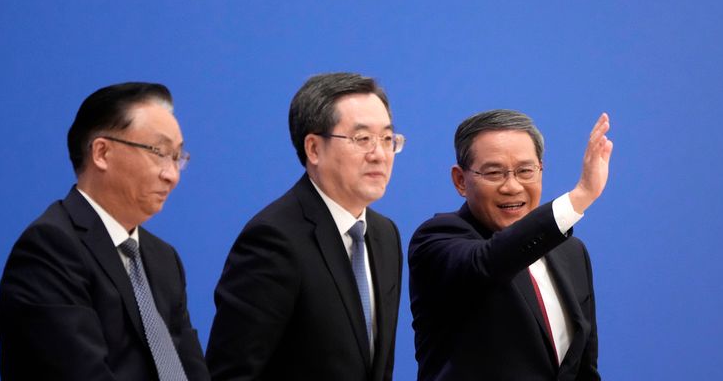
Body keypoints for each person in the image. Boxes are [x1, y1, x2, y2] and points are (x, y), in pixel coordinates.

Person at [0, 82, 210, 380]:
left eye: (177, 157)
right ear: (102, 153)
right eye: (159, 152)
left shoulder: (163, 259)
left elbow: (192, 369)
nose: (171, 175)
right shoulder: (49, 248)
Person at [206, 72, 405, 381]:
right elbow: (232, 373)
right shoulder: (274, 239)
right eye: (363, 139)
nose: (379, 154)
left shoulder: (384, 235)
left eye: (388, 139)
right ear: (313, 148)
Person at [408, 109, 613, 381]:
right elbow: (489, 262)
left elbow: (584, 368)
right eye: (494, 173)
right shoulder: (437, 240)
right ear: (460, 180)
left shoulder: (571, 251)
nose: (512, 186)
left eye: (525, 171)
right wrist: (581, 196)